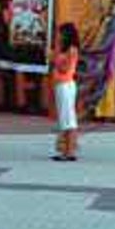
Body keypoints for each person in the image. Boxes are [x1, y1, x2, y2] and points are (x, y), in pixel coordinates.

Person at [51, 22, 80, 162]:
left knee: (68, 118)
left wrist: (55, 58)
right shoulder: (63, 49)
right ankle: (65, 149)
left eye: (60, 33)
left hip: (65, 84)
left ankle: (70, 150)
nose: (58, 36)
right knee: (64, 118)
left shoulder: (71, 50)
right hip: (60, 84)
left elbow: (64, 68)